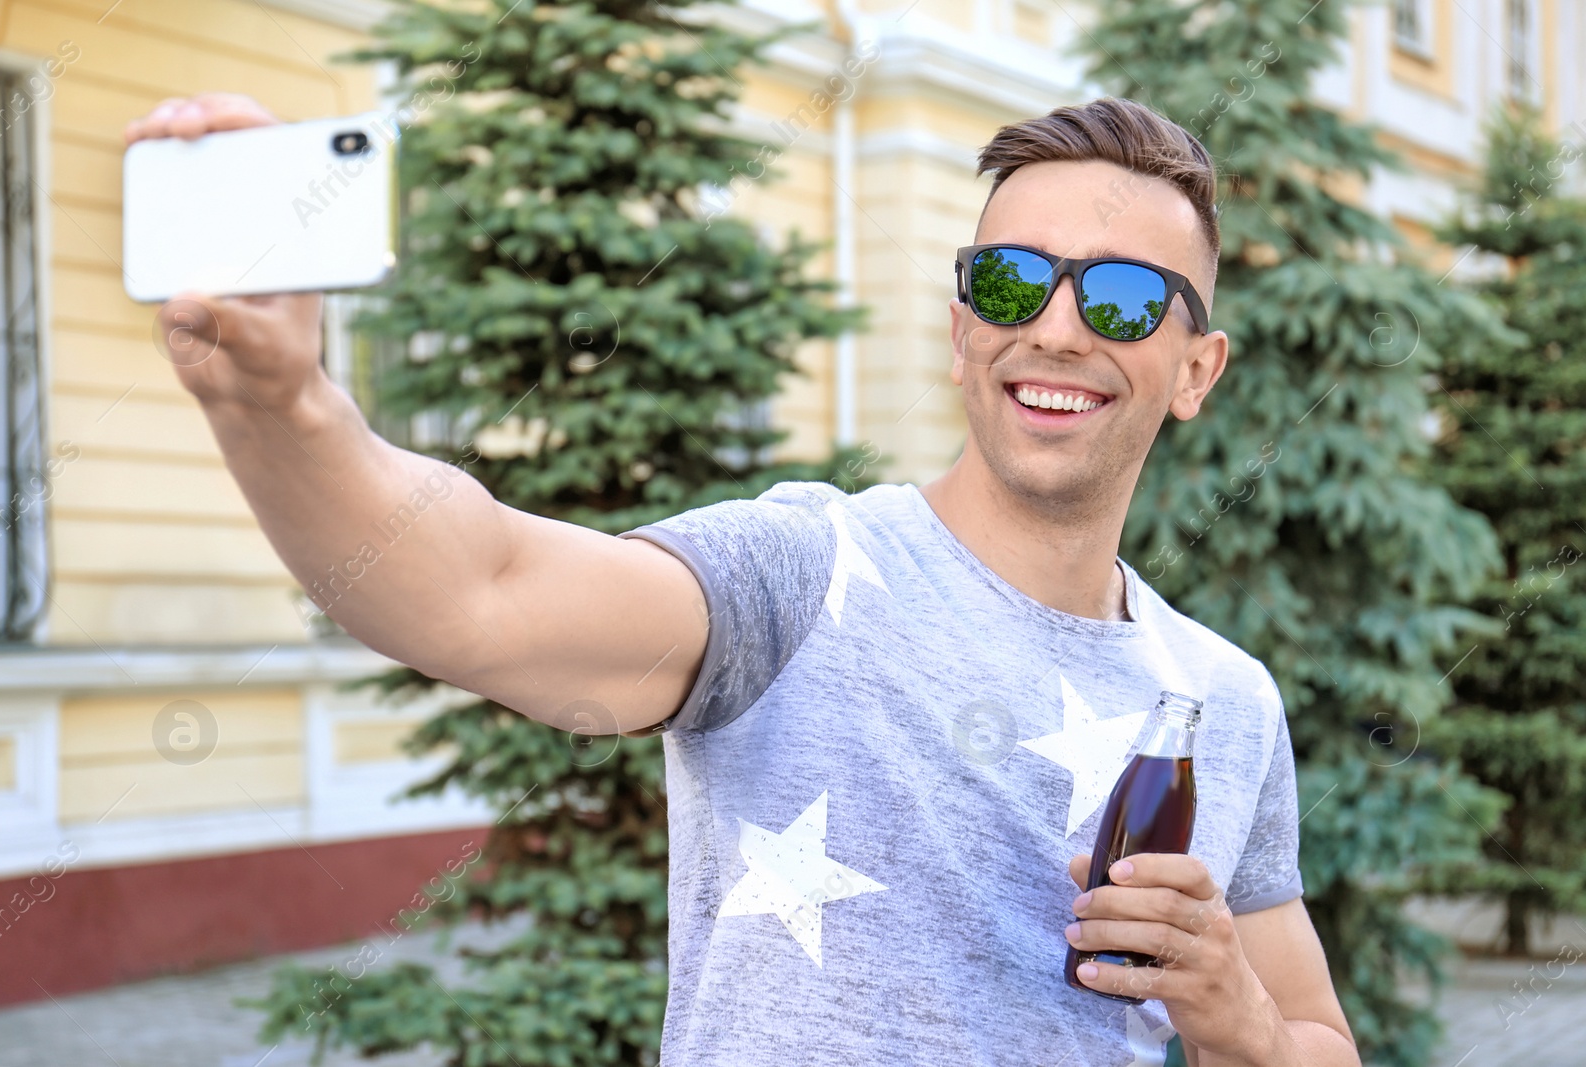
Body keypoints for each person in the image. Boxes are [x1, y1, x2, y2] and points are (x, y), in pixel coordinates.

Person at [125, 92, 1360, 1067]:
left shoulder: (1221, 698)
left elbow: (1312, 1041)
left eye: (1127, 298)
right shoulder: (804, 568)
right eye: (1008, 279)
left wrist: (1237, 1016)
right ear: (958, 330)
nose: (1056, 325)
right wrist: (280, 401)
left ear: (1198, 367)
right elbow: (479, 592)